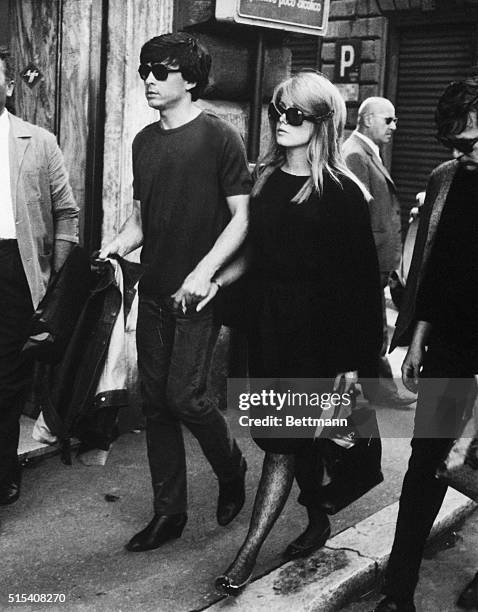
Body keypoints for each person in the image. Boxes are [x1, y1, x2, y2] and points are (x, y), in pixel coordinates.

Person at [198, 70, 382, 596]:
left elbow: (362, 285)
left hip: (320, 338)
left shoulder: (344, 191)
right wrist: (217, 282)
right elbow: (256, 255)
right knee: (294, 435)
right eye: (278, 111)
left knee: (282, 443)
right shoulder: (268, 179)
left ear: (322, 122)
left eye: (294, 114)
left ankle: (246, 556)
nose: (281, 121)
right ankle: (318, 519)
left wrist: (355, 362)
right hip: (271, 329)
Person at [99, 32, 251, 552]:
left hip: (197, 295)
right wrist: (115, 245)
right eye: (144, 70)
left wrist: (205, 272)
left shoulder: (219, 137)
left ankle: (231, 468)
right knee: (155, 404)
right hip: (156, 290)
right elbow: (142, 220)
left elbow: (242, 217)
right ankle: (170, 514)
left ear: (189, 80)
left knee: (185, 398)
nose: (148, 80)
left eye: (160, 72)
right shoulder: (144, 141)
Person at [373, 78, 478, 612]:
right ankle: (398, 591)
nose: (466, 154)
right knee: (425, 465)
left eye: (473, 142)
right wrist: (417, 340)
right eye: (457, 146)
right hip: (453, 347)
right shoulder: (447, 180)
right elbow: (435, 273)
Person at [0, 47, 79, 506]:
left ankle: (4, 469)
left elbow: (66, 213)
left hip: (16, 269)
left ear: (10, 87)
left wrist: (55, 279)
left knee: (8, 380)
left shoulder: (39, 142)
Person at [343, 97, 414, 408]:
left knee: (371, 324)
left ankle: (374, 386)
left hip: (374, 261)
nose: (394, 127)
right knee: (369, 325)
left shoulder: (367, 152)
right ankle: (378, 388)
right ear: (368, 119)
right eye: (389, 120)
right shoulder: (355, 155)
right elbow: (355, 217)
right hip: (366, 261)